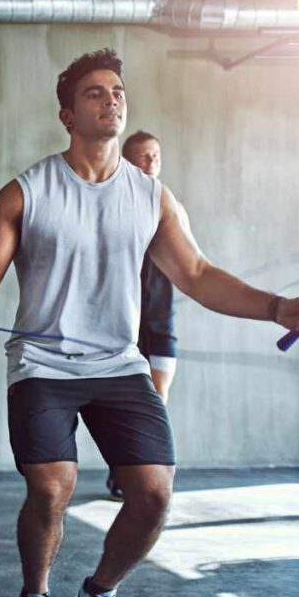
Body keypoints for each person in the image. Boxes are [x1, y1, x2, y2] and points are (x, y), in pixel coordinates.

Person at [0, 48, 299, 597]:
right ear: (67, 114)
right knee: (52, 487)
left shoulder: (151, 196)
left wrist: (274, 307)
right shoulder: (27, 190)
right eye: (95, 92)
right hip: (42, 362)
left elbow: (197, 273)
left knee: (155, 493)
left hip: (119, 362)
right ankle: (35, 596)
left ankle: (99, 588)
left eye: (117, 91)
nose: (111, 99)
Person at [107, 131, 183, 500]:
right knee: (131, 403)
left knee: (158, 398)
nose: (150, 162)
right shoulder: (116, 206)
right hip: (125, 326)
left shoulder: (169, 207)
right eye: (142, 157)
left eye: (155, 155)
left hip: (162, 324)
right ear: (127, 161)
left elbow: (193, 267)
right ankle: (123, 470)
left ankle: (139, 473)